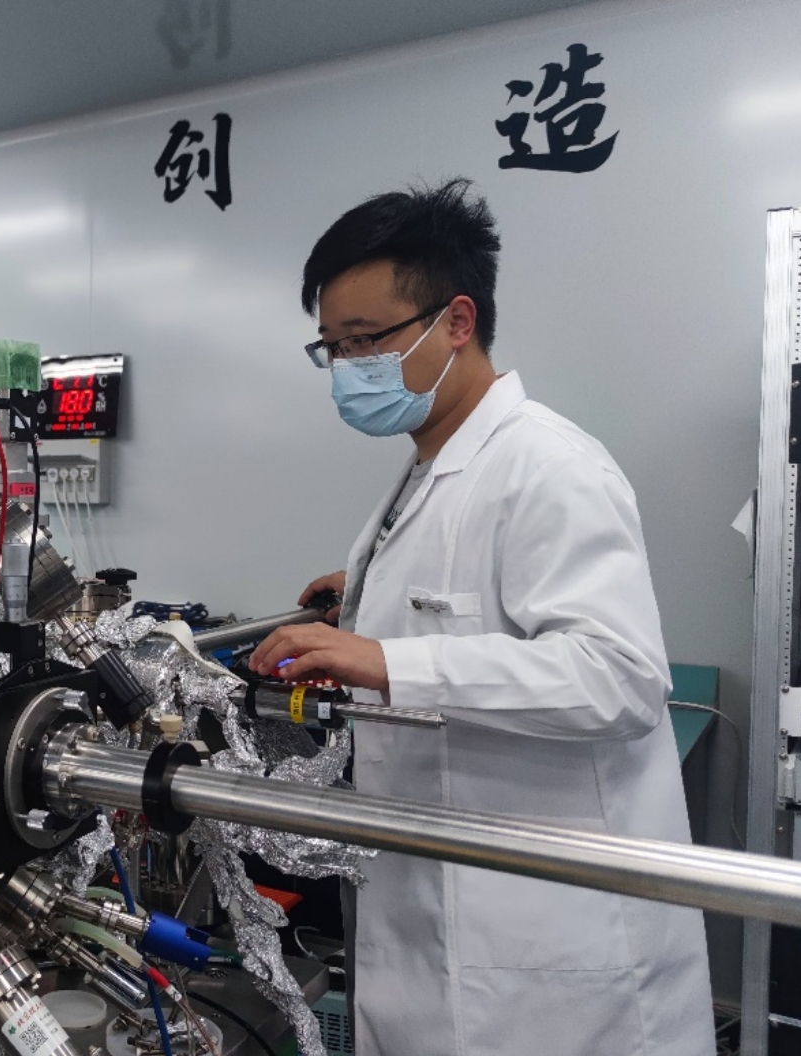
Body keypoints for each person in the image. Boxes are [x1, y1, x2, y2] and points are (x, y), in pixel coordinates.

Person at [248, 179, 715, 1056]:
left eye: (366, 340)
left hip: (550, 964)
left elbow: (618, 679)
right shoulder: (432, 467)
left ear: (455, 321)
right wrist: (371, 592)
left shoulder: (550, 465)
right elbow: (478, 600)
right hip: (434, 920)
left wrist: (387, 658)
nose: (348, 368)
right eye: (332, 347)